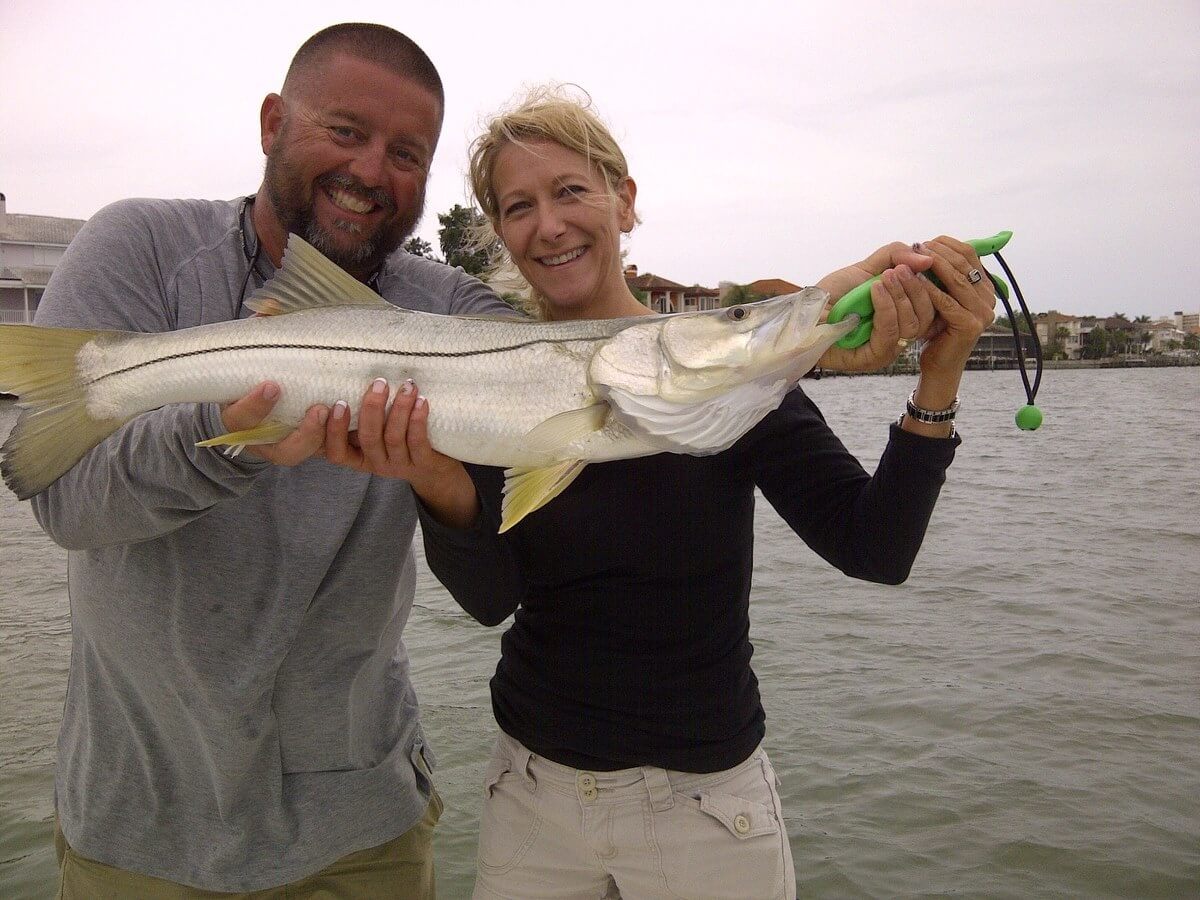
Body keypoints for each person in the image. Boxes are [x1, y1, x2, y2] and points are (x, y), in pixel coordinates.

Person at [393, 88, 995, 898]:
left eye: (570, 191)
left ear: (624, 200)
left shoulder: (731, 372)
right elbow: (490, 599)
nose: (550, 224)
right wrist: (433, 480)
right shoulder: (489, 382)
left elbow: (875, 549)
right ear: (500, 231)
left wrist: (939, 376)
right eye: (519, 206)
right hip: (530, 796)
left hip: (707, 811)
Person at [31, 23, 514, 897]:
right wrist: (227, 435)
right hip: (134, 825)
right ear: (271, 124)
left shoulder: (450, 309)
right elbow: (64, 501)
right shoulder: (138, 246)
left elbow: (560, 373)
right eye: (345, 131)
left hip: (362, 829)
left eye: (407, 153)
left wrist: (435, 474)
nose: (371, 171)